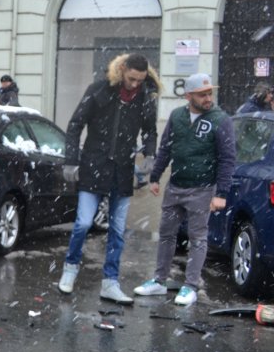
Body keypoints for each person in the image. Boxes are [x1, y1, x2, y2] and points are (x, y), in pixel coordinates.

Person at [57, 53, 160, 304]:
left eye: (140, 80)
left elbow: (150, 129)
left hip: (122, 171)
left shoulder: (145, 96)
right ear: (122, 69)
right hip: (94, 166)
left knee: (117, 230)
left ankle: (110, 282)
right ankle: (70, 269)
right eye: (132, 78)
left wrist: (149, 153)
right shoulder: (100, 90)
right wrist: (71, 160)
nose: (135, 84)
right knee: (82, 223)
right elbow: (75, 124)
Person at [133, 73, 235, 307]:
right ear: (189, 96)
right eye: (202, 94)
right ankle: (159, 280)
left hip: (202, 189)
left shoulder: (221, 120)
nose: (208, 98)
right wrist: (156, 176)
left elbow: (227, 159)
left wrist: (221, 194)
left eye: (210, 93)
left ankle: (190, 285)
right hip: (176, 186)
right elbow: (166, 147)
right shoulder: (177, 116)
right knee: (166, 233)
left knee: (198, 237)